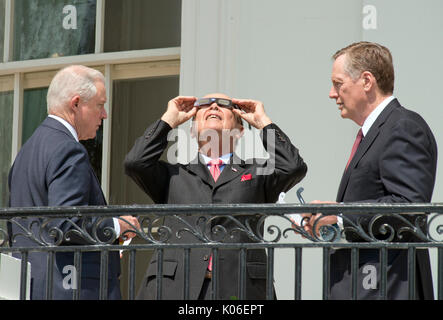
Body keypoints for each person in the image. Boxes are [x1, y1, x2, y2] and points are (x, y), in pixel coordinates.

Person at [124, 93, 307, 299]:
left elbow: (293, 167)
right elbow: (135, 163)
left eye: (223, 104)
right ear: (192, 131)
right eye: (205, 104)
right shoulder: (173, 175)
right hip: (175, 288)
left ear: (239, 131)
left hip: (241, 289)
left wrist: (263, 123)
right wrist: (168, 120)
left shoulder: (257, 172)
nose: (213, 106)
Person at [303, 41, 437, 299]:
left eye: (338, 84)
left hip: (388, 286)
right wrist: (332, 220)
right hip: (366, 283)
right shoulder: (377, 131)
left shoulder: (403, 127)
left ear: (367, 81)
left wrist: (340, 218)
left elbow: (408, 207)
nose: (332, 93)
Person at [8, 65, 140, 300]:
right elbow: (66, 225)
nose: (105, 114)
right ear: (76, 103)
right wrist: (117, 226)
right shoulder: (69, 149)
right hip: (71, 288)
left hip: (30, 285)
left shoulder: (27, 150)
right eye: (100, 104)